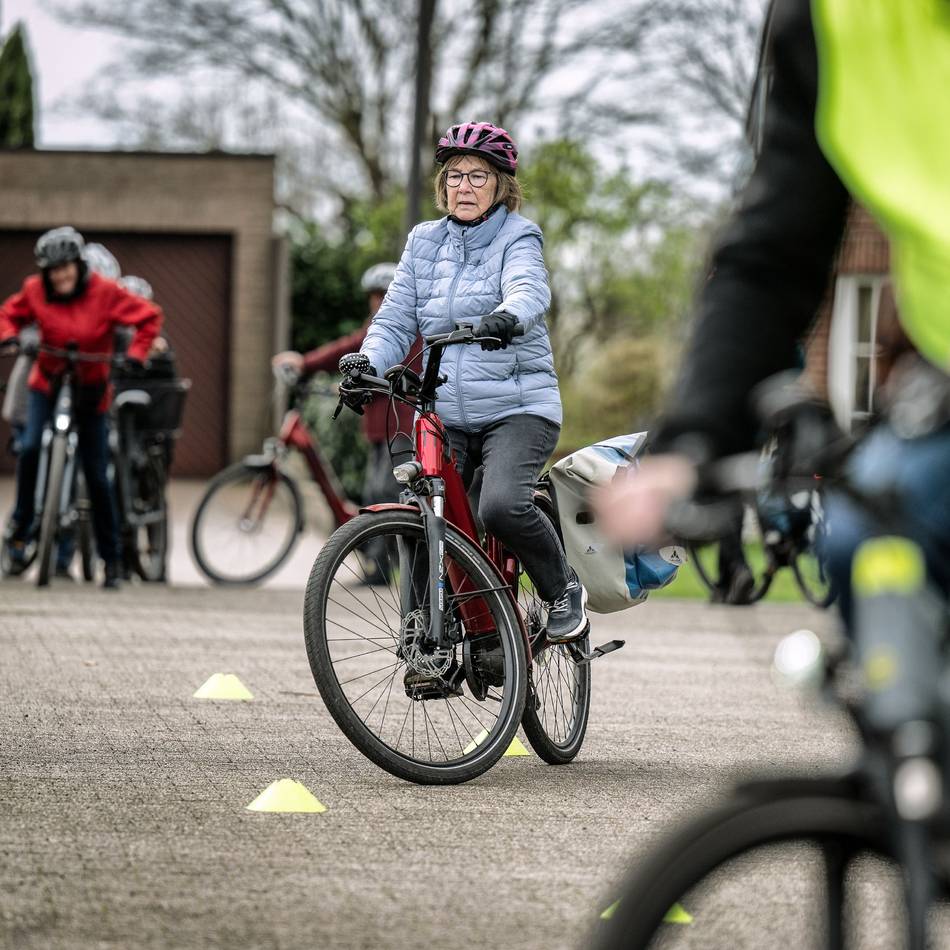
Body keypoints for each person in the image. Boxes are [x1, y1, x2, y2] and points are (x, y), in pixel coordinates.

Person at [595, 0, 950, 630]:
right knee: (862, 547)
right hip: (935, 384)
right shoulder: (836, 16)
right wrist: (697, 436)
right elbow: (774, 251)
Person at [340, 121, 588, 642]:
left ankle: (563, 589)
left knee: (499, 507)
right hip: (446, 411)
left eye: (478, 176)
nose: (465, 186)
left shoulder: (518, 235)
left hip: (518, 407)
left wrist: (507, 317)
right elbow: (394, 320)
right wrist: (366, 363)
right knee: (420, 511)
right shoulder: (423, 241)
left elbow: (529, 289)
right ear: (443, 185)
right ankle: (424, 635)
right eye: (455, 176)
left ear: (500, 185)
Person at [0, 227, 162, 588]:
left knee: (96, 473)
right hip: (47, 381)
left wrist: (136, 354)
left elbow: (149, 317)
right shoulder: (34, 290)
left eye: (66, 268)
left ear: (78, 265)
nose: (60, 276)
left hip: (91, 388)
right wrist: (10, 337)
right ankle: (21, 524)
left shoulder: (105, 293)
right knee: (29, 447)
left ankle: (111, 560)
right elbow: (8, 314)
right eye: (53, 270)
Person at [272, 264, 421, 519]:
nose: (376, 302)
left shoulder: (407, 328)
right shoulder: (378, 327)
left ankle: (391, 545)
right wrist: (305, 363)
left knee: (388, 494)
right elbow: (349, 347)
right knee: (374, 494)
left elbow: (392, 369)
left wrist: (347, 381)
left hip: (402, 425)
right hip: (383, 427)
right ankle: (374, 543)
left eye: (383, 295)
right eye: (373, 296)